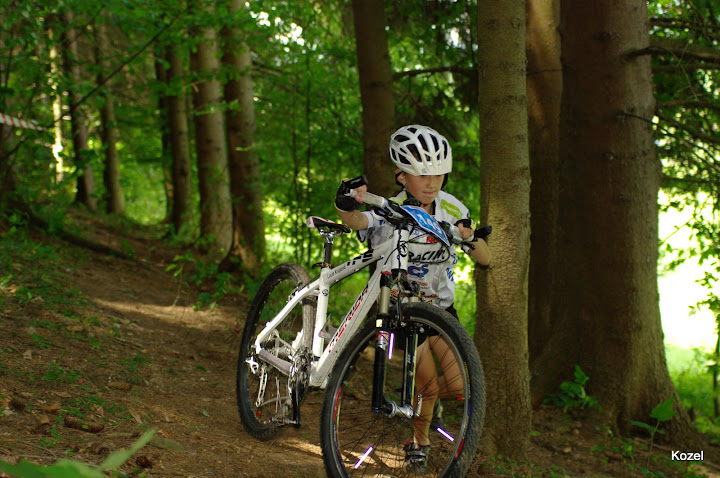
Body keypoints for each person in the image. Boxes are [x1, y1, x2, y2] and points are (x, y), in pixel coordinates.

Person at [334, 124, 490, 472]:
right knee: (429, 385)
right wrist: (344, 204)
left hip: (442, 311)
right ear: (401, 176)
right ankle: (419, 442)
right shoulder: (391, 209)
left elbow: (485, 258)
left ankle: (425, 404)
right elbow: (358, 220)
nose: (432, 183)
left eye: (438, 174)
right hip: (403, 311)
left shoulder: (452, 207)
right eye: (422, 175)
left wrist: (469, 238)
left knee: (461, 386)